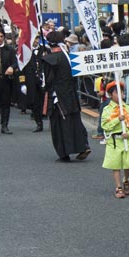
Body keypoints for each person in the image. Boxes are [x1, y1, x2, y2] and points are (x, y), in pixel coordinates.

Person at [41, 31, 91, 162]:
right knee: (75, 121)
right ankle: (83, 145)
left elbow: (48, 80)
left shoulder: (50, 59)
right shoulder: (67, 56)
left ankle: (64, 152)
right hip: (71, 94)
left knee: (59, 124)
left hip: (58, 96)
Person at [101, 81, 129, 198]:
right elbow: (105, 126)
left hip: (126, 140)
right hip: (114, 141)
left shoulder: (128, 108)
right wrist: (118, 119)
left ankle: (126, 180)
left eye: (122, 92)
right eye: (117, 92)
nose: (120, 95)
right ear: (111, 95)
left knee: (128, 164)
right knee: (115, 165)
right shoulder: (107, 109)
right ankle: (118, 187)